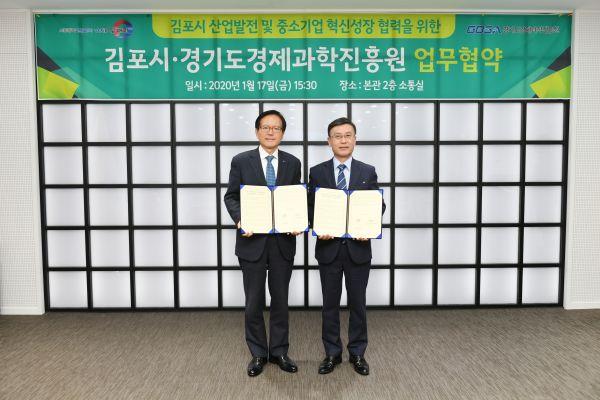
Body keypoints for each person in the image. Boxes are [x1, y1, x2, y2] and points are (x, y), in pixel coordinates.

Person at [223, 110, 302, 377]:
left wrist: (298, 220)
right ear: (257, 131)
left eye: (276, 128)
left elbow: (296, 198)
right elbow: (231, 197)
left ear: (283, 133)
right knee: (253, 301)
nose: (270, 132)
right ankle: (258, 353)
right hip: (252, 242)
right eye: (266, 127)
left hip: (282, 242)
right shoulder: (240, 161)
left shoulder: (293, 162)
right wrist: (239, 220)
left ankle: (279, 351)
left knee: (280, 300)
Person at [308, 117, 385, 376]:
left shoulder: (367, 171)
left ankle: (357, 353)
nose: (343, 140)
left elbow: (378, 205)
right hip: (329, 248)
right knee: (329, 305)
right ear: (329, 141)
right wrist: (317, 225)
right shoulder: (317, 172)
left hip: (358, 249)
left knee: (358, 304)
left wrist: (369, 226)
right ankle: (332, 353)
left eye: (347, 135)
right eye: (337, 136)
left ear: (355, 139)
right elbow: (310, 206)